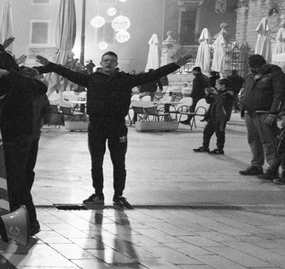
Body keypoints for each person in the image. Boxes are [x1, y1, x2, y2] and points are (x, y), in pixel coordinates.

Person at [35, 50, 192, 208]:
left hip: (117, 126)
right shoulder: (92, 79)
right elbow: (67, 72)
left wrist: (176, 65)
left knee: (119, 163)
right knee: (96, 162)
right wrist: (50, 66)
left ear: (116, 63)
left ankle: (118, 196)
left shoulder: (125, 79)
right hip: (97, 125)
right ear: (101, 63)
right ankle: (98, 194)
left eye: (111, 60)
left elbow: (152, 75)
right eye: (106, 60)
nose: (108, 63)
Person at [0, 51, 48, 237]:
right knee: (8, 184)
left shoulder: (19, 81)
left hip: (18, 139)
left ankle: (28, 225)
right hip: (3, 139)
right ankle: (11, 228)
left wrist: (8, 74)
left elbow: (38, 87)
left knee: (17, 184)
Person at [238, 53, 285, 179]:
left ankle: (273, 168)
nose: (252, 69)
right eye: (251, 67)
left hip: (265, 113)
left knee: (269, 141)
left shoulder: (275, 74)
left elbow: (279, 95)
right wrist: (243, 104)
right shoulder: (250, 76)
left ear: (262, 64)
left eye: (255, 67)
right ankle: (256, 165)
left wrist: (273, 113)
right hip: (250, 112)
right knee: (253, 140)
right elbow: (246, 90)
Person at [193, 78, 235, 154]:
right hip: (213, 115)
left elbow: (222, 101)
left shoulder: (229, 93)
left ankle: (220, 149)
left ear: (223, 85)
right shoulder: (218, 93)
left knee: (219, 133)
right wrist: (208, 94)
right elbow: (209, 101)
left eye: (217, 84)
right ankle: (205, 146)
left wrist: (216, 93)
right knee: (207, 132)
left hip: (221, 116)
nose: (216, 86)